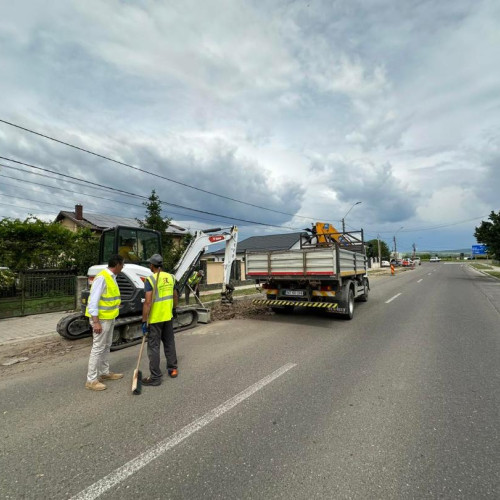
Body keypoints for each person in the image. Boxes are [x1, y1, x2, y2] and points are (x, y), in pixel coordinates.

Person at [84, 254, 124, 391]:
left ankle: (104, 372)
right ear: (117, 265)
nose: (123, 267)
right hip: (101, 319)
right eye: (122, 265)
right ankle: (91, 380)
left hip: (109, 317)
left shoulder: (112, 277)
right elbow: (93, 302)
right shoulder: (102, 278)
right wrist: (96, 322)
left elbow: (108, 298)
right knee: (98, 348)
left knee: (106, 345)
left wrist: (116, 305)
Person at [141, 253, 179, 386]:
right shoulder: (171, 277)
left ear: (152, 265)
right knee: (169, 343)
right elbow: (175, 296)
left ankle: (156, 377)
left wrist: (144, 321)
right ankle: (173, 369)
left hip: (155, 319)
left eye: (149, 264)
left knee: (154, 347)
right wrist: (174, 309)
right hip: (168, 317)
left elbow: (147, 302)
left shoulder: (150, 279)